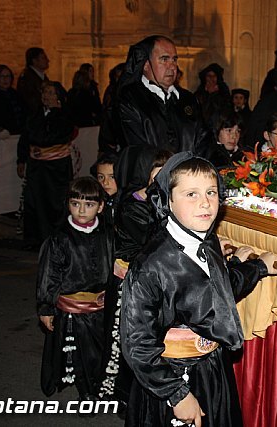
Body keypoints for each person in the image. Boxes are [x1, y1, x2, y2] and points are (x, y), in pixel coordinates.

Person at [120, 152, 277, 426]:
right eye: (191, 194)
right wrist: (177, 394)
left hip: (211, 369)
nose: (205, 202)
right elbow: (137, 344)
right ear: (168, 200)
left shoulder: (207, 242)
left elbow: (219, 290)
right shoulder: (151, 265)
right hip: (172, 376)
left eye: (211, 192)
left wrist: (258, 268)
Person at [99, 147, 172, 407]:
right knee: (128, 342)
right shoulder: (133, 205)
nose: (162, 182)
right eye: (156, 177)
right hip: (130, 283)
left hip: (150, 281)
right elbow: (156, 242)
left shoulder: (162, 200)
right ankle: (124, 396)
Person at [36, 177, 113, 400]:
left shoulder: (108, 235)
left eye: (89, 204)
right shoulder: (59, 238)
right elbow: (49, 274)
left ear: (100, 207)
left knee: (101, 352)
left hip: (101, 308)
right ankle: (87, 394)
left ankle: (101, 386)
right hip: (72, 311)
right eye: (75, 203)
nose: (81, 210)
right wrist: (46, 307)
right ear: (67, 204)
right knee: (80, 354)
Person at [115, 35, 207, 154]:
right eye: (164, 59)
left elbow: (204, 141)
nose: (172, 66)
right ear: (146, 65)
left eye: (174, 59)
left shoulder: (187, 99)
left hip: (190, 171)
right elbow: (137, 150)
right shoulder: (130, 99)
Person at [17, 81, 75, 247]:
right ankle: (36, 239)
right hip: (37, 168)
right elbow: (25, 138)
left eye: (50, 93)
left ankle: (57, 237)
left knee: (55, 202)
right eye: (44, 92)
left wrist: (40, 144)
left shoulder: (64, 115)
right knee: (34, 201)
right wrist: (21, 159)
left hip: (56, 168)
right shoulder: (34, 114)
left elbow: (54, 137)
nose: (46, 96)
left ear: (58, 96)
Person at [0, 64, 26, 135]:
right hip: (4, 135)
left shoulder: (15, 94)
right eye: (2, 76)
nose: (5, 79)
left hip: (20, 132)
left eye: (8, 76)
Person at [194, 62, 231, 128]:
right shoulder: (200, 91)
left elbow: (225, 109)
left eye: (214, 76)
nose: (211, 78)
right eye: (209, 76)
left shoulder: (223, 90)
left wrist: (213, 94)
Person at [17, 47, 50, 113]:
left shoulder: (42, 77)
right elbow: (30, 102)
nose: (48, 60)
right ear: (34, 61)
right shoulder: (27, 78)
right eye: (43, 58)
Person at [90, 152, 119, 225]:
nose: (105, 182)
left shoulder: (129, 204)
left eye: (112, 177)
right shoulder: (94, 200)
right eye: (101, 177)